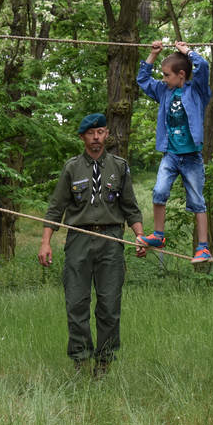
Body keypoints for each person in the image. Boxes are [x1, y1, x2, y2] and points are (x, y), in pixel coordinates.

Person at [38, 113, 146, 376]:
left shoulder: (119, 167)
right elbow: (56, 208)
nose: (96, 138)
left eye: (100, 132)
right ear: (82, 137)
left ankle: (105, 361)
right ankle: (81, 359)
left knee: (109, 304)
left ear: (107, 134)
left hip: (111, 240)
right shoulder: (72, 168)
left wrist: (139, 236)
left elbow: (130, 207)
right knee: (76, 302)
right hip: (79, 239)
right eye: (90, 133)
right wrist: (45, 242)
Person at [135, 40, 213, 263]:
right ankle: (158, 236)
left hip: (191, 158)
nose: (163, 78)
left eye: (166, 75)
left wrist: (187, 51)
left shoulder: (197, 91)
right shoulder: (163, 91)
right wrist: (152, 55)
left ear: (181, 74)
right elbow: (142, 79)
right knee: (159, 192)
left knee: (197, 201)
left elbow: (203, 66)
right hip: (170, 155)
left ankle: (203, 248)